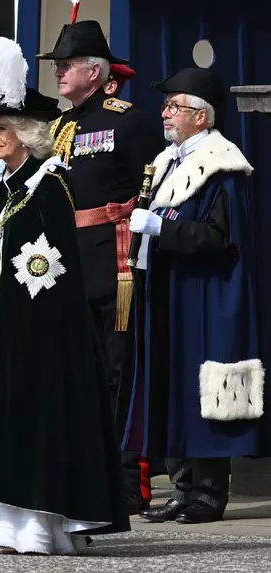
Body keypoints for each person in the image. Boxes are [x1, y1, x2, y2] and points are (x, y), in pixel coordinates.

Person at [0, 36, 129, 555]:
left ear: (26, 135)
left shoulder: (49, 186)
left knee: (30, 416)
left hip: (34, 327)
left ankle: (36, 525)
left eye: (1, 130)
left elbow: (49, 266)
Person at [123, 68, 265, 525]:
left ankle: (209, 492)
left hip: (204, 293)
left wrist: (160, 228)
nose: (165, 114)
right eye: (166, 106)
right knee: (172, 386)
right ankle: (183, 486)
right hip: (170, 290)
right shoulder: (169, 161)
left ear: (201, 116)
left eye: (175, 107)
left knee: (203, 390)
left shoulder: (222, 167)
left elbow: (220, 237)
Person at [36, 20, 165, 514]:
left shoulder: (126, 121)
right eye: (57, 66)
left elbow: (151, 187)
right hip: (69, 262)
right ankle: (90, 472)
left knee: (119, 372)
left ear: (95, 72)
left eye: (66, 65)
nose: (59, 73)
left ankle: (129, 479)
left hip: (115, 262)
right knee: (83, 373)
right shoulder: (60, 126)